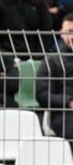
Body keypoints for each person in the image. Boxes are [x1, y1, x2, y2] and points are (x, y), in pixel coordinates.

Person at [35, 12, 73, 140]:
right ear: (62, 33)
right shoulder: (52, 60)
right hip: (64, 114)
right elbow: (42, 95)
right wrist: (68, 102)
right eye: (70, 31)